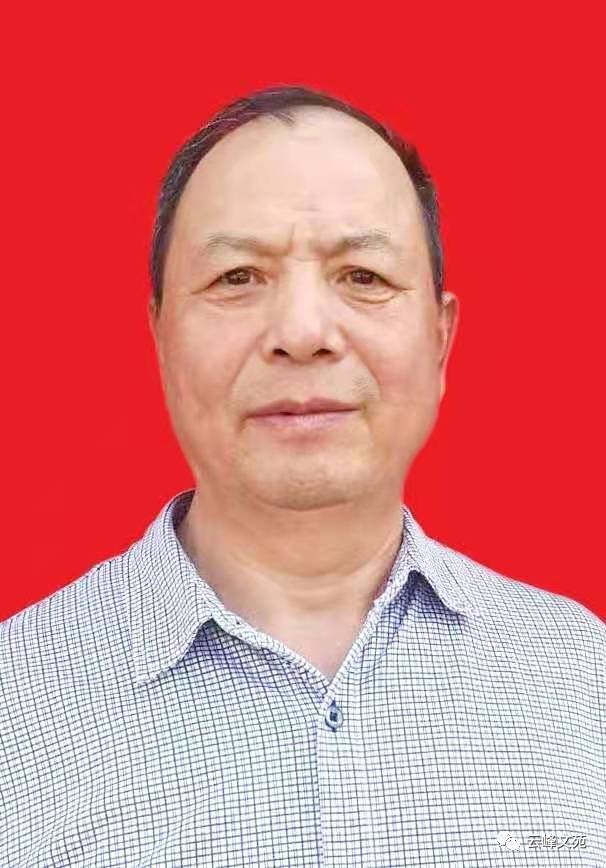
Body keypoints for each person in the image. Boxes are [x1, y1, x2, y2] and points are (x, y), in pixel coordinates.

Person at [1, 85, 604, 867]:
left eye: (363, 276)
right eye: (237, 277)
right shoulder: (16, 701)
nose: (303, 331)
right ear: (161, 336)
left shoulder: (583, 677)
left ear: (441, 339)